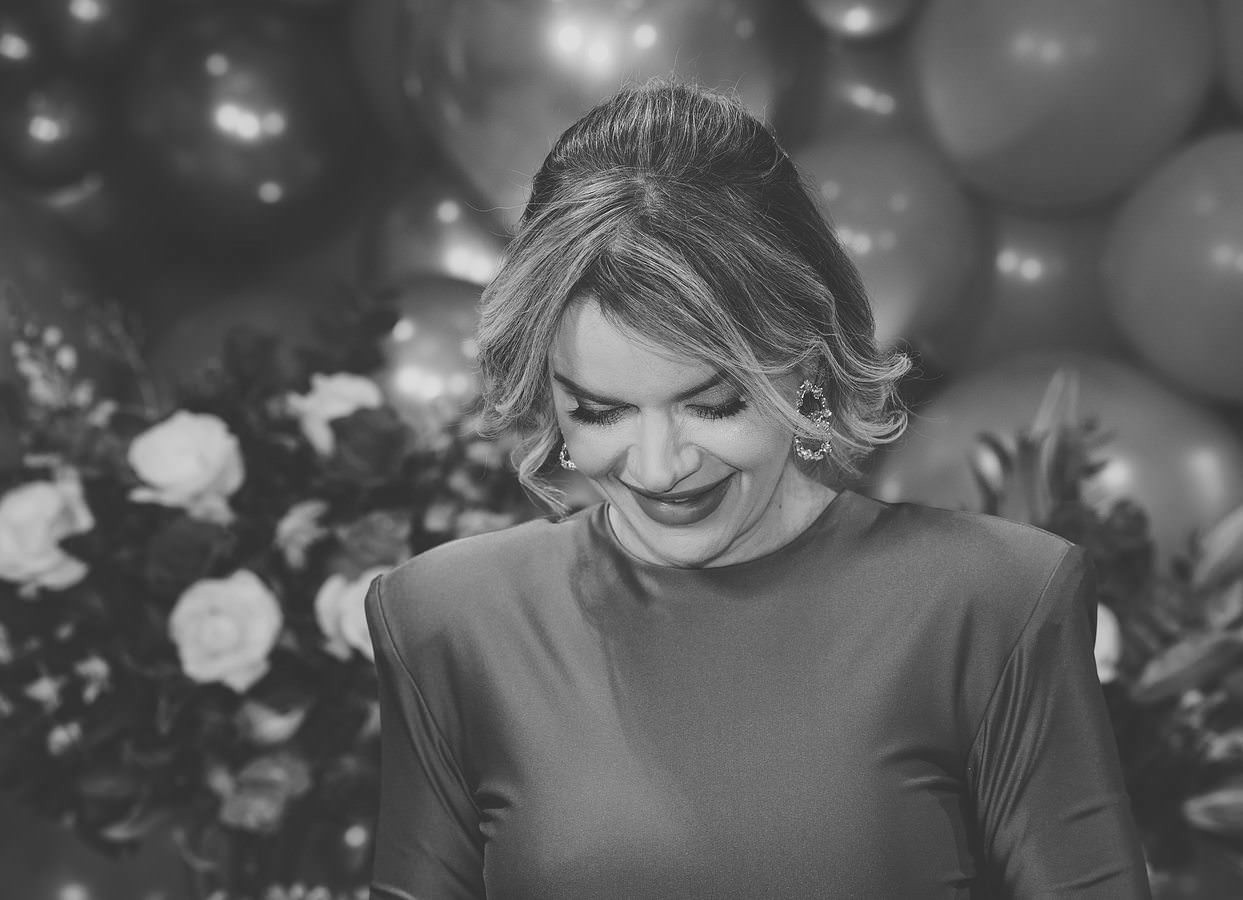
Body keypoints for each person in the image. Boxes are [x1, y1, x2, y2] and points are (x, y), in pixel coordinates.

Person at [364, 80, 1151, 898]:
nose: (658, 468)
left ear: (807, 364)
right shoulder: (447, 620)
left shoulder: (994, 603)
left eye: (712, 405)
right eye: (598, 412)